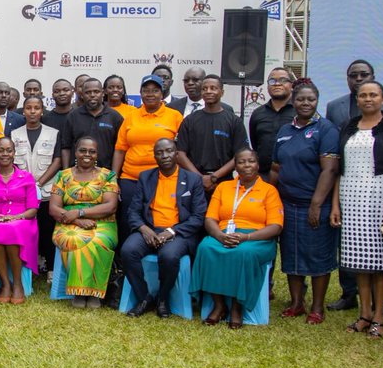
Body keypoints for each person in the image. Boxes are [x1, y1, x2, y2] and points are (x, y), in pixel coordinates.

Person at [324, 58, 383, 314]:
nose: (367, 97)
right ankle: (360, 307)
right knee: (354, 255)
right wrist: (336, 204)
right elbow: (339, 167)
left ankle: (380, 309)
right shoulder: (347, 124)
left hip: (382, 196)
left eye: (373, 94)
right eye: (363, 95)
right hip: (351, 196)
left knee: (381, 256)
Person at [269, 81, 339, 325]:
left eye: (310, 99)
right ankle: (296, 302)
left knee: (317, 255)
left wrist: (316, 204)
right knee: (291, 254)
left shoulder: (326, 129)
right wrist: (271, 197)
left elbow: (329, 170)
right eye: (301, 100)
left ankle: (317, 306)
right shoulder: (285, 130)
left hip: (314, 203)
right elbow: (276, 168)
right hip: (287, 203)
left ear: (317, 100)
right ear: (293, 102)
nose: (306, 103)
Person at [192, 148, 284, 328]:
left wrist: (247, 237)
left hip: (256, 238)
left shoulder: (269, 190)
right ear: (235, 166)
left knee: (243, 253)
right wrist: (219, 235)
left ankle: (236, 307)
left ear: (257, 165)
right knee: (206, 248)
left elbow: (276, 226)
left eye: (251, 161)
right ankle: (219, 305)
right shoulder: (224, 187)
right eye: (241, 162)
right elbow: (210, 218)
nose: (246, 165)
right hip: (224, 233)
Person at [118, 138, 207, 318]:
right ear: (155, 156)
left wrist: (171, 232)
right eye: (160, 152)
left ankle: (163, 299)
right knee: (128, 251)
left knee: (169, 255)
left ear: (176, 153)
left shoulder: (193, 179)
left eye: (168, 151)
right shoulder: (146, 177)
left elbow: (198, 217)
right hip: (150, 230)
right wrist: (144, 229)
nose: (164, 155)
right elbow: (133, 211)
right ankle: (144, 297)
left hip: (178, 232)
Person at [50, 136, 120, 307]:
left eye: (92, 151)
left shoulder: (108, 176)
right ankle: (79, 292)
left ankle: (94, 292)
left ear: (97, 154)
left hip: (103, 222)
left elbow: (110, 206)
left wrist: (79, 212)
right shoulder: (63, 176)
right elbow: (53, 209)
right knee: (74, 238)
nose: (87, 154)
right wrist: (77, 221)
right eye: (83, 150)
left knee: (98, 240)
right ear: (76, 152)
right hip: (68, 222)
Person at [0, 137, 40, 303]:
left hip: (23, 220)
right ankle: (5, 283)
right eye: (1, 150)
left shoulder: (26, 177)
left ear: (14, 153)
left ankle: (17, 283)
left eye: (8, 150)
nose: (5, 154)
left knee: (13, 228)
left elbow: (32, 209)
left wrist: (16, 217)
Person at [112, 75, 183, 223]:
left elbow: (181, 150)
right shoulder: (131, 117)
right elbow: (120, 150)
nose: (150, 94)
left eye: (155, 91)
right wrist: (113, 178)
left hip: (162, 179)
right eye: (146, 90)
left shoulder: (175, 116)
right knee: (128, 220)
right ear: (140, 94)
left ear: (162, 94)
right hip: (131, 179)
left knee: (157, 220)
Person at [175, 75, 248, 198]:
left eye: (213, 88)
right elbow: (180, 154)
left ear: (222, 92)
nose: (208, 91)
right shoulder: (190, 120)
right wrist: (200, 178)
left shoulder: (234, 121)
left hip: (224, 182)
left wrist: (214, 177)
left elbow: (240, 155)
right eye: (205, 89)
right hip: (194, 181)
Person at [11, 96, 61, 276]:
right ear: (23, 111)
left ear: (42, 111)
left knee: (47, 229)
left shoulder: (53, 133)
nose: (32, 111)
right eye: (29, 108)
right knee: (26, 230)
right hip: (22, 190)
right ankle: (29, 266)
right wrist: (26, 184)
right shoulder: (15, 134)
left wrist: (38, 183)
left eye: (37, 108)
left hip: (46, 191)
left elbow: (57, 160)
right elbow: (10, 161)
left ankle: (50, 268)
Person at [58, 77, 123, 171]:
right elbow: (66, 147)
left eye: (96, 92)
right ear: (82, 95)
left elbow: (120, 150)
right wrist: (66, 172)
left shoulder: (115, 117)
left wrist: (114, 175)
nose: (92, 95)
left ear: (103, 92)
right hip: (77, 174)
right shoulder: (73, 116)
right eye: (88, 92)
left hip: (105, 174)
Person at [249, 67, 296, 179]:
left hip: (292, 176)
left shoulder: (299, 111)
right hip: (263, 176)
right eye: (272, 81)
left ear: (291, 85)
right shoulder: (258, 113)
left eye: (283, 80)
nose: (277, 84)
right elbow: (255, 144)